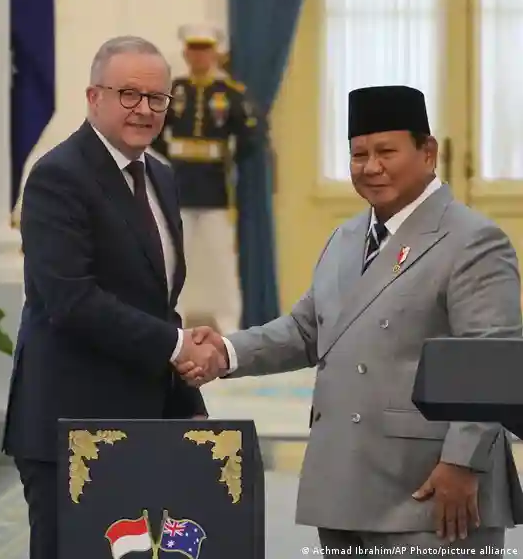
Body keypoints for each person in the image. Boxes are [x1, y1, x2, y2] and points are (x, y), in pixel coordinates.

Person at [175, 86, 523, 555]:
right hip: (345, 484)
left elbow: (489, 361)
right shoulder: (347, 236)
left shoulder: (472, 240)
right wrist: (225, 351)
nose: (371, 167)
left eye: (386, 152)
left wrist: (463, 463)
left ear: (428, 152)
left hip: (432, 489)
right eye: (359, 154)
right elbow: (307, 330)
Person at [2, 36, 225, 559]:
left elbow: (158, 301)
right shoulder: (58, 176)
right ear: (93, 96)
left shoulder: (161, 176)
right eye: (128, 94)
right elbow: (70, 300)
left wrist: (188, 403)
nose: (143, 109)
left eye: (157, 98)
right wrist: (178, 346)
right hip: (71, 427)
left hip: (146, 424)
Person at [150, 23, 264, 335]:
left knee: (222, 260)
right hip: (179, 184)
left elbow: (251, 134)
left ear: (216, 53)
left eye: (205, 49)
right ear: (186, 53)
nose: (199, 56)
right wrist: (170, 156)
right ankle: (173, 319)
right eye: (194, 49)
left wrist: (230, 158)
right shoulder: (174, 91)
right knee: (172, 257)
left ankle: (229, 324)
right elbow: (153, 129)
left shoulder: (230, 93)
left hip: (215, 187)